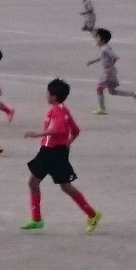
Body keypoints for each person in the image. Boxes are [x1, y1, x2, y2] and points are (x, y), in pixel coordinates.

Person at [22, 78, 101, 233]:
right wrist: (68, 143)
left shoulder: (56, 111)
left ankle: (93, 214)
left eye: (48, 93)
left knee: (62, 186)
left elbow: (58, 130)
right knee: (36, 183)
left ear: (54, 96)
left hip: (51, 153)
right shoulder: (64, 110)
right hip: (53, 152)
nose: (46, 95)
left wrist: (37, 134)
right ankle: (36, 218)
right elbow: (75, 130)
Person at [87, 28, 136, 114]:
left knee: (99, 89)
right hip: (110, 71)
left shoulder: (105, 48)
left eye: (97, 37)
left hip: (108, 72)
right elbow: (103, 57)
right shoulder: (104, 47)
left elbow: (114, 57)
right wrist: (93, 61)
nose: (96, 39)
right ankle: (134, 94)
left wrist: (110, 68)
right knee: (112, 92)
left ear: (103, 40)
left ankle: (102, 109)